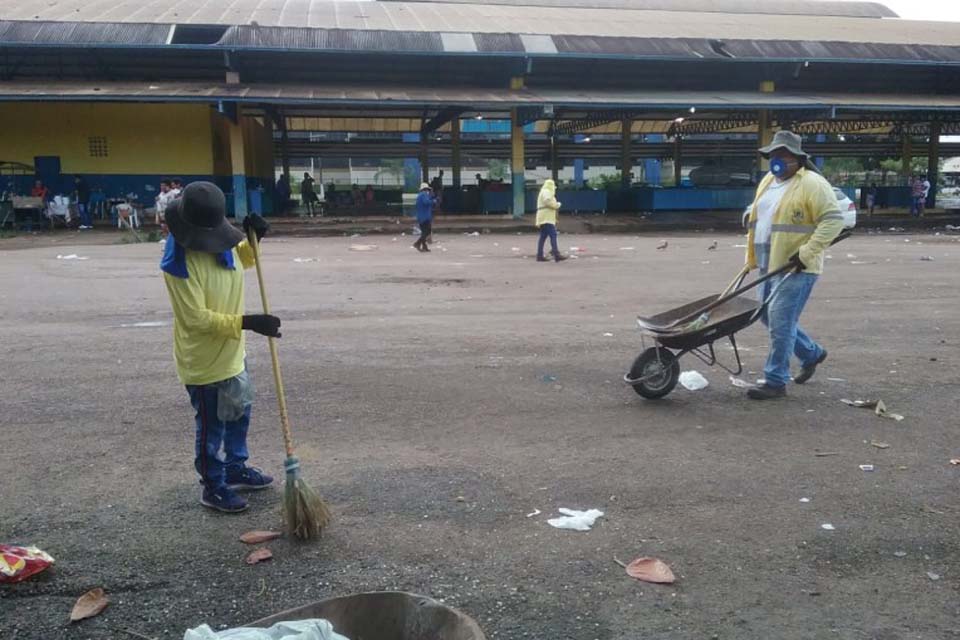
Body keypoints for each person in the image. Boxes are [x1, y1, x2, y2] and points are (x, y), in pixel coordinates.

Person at [160, 181, 279, 513]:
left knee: (239, 413)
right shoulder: (178, 263)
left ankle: (235, 467)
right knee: (211, 429)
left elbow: (243, 261)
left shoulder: (222, 243)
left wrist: (254, 240)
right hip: (203, 362)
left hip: (233, 353)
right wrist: (247, 322)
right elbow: (195, 319)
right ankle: (212, 485)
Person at [743, 130, 844, 400]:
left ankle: (775, 381)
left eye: (784, 154)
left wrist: (807, 253)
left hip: (797, 267)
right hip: (768, 263)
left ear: (797, 158)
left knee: (781, 322)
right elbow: (760, 211)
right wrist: (748, 217)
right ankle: (811, 353)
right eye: (774, 154)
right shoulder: (768, 181)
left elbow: (834, 221)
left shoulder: (813, 183)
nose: (777, 159)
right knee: (765, 315)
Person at [535, 179, 567, 262]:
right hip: (546, 217)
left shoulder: (544, 191)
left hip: (544, 217)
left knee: (543, 236)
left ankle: (540, 255)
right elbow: (547, 201)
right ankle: (556, 254)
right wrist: (557, 205)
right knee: (553, 234)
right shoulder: (547, 191)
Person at [413, 183, 436, 253]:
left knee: (424, 232)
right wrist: (433, 201)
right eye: (427, 190)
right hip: (425, 217)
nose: (428, 191)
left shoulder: (420, 195)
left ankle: (424, 247)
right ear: (425, 189)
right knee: (427, 231)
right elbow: (426, 202)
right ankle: (417, 243)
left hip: (421, 216)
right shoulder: (423, 194)